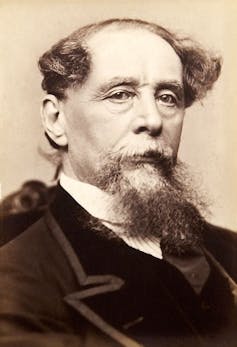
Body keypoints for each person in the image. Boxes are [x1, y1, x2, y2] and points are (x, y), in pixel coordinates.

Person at [0, 18, 236, 347]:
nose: (153, 120)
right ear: (57, 120)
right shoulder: (15, 284)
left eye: (168, 97)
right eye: (120, 95)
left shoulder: (229, 251)